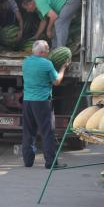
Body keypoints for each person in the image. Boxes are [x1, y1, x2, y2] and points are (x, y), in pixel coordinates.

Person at [21, 40, 69, 169]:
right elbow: (56, 81)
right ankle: (51, 163)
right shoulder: (47, 64)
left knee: (28, 132)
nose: (49, 53)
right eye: (48, 51)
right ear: (43, 52)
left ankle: (28, 162)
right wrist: (63, 68)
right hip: (42, 102)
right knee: (47, 132)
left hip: (27, 101)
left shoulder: (26, 62)